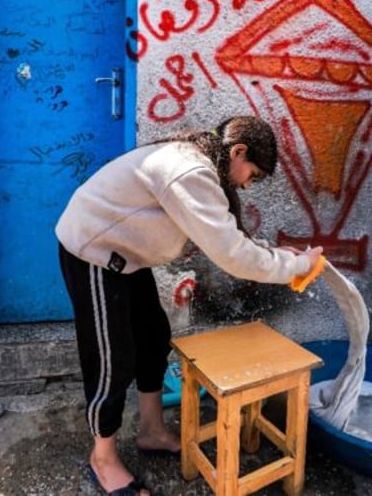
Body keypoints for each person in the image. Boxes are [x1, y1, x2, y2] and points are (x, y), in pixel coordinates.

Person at [55, 115, 323, 495]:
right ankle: (103, 459)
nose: (249, 184)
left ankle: (151, 431)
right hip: (94, 252)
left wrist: (277, 254)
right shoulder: (190, 172)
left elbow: (228, 237)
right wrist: (297, 266)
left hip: (124, 255)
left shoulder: (203, 169)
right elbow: (234, 257)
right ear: (238, 151)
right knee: (111, 358)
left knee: (153, 337)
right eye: (254, 175)